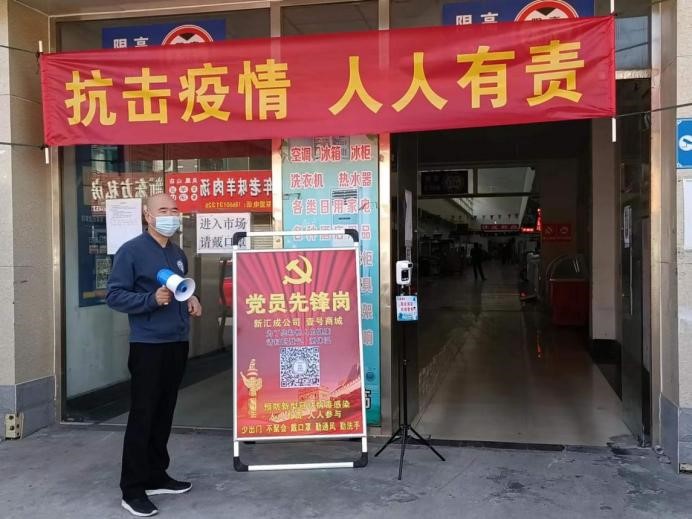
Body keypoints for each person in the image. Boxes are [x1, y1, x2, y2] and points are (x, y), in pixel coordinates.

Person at [107, 193, 202, 517]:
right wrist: (150, 299)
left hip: (176, 342)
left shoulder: (177, 253)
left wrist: (191, 301)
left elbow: (180, 290)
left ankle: (156, 475)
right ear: (148, 216)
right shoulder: (131, 251)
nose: (170, 215)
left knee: (164, 412)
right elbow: (115, 296)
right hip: (148, 345)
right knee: (143, 414)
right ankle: (132, 488)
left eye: (174, 209)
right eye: (163, 210)